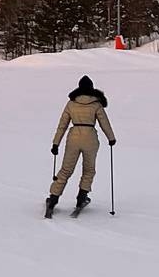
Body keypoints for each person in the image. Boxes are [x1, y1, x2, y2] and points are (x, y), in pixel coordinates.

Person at [46, 75, 116, 213]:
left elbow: (62, 125)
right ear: (91, 88)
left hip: (73, 138)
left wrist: (56, 143)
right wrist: (111, 138)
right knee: (89, 170)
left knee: (66, 170)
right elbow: (105, 124)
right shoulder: (96, 104)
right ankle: (81, 198)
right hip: (90, 138)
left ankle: (53, 198)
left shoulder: (71, 103)